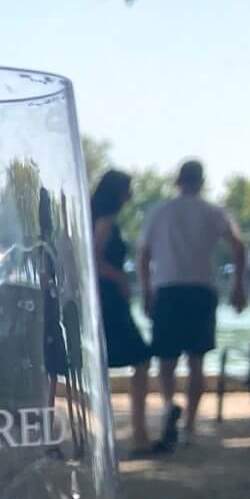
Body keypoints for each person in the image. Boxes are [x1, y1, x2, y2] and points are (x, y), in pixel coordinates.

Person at [138, 159, 247, 451]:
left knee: (166, 359)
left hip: (169, 290)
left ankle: (169, 405)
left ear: (177, 181)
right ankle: (189, 425)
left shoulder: (160, 212)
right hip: (202, 289)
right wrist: (238, 285)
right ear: (201, 181)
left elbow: (144, 255)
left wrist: (146, 292)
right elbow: (238, 245)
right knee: (197, 360)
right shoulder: (213, 212)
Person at [90, 170, 154, 454]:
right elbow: (94, 258)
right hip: (108, 300)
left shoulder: (92, 216)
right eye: (128, 189)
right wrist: (120, 278)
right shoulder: (105, 221)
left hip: (102, 299)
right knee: (140, 358)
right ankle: (138, 432)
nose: (131, 195)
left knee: (101, 362)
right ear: (117, 192)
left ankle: (105, 432)